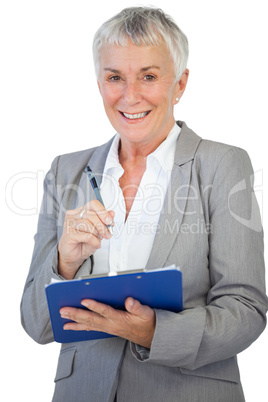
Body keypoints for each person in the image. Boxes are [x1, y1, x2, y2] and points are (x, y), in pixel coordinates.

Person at [20, 6, 268, 402]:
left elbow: (246, 307)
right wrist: (64, 262)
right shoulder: (66, 171)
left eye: (149, 77)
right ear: (99, 82)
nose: (129, 96)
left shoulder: (222, 164)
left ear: (180, 84)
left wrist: (154, 332)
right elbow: (36, 324)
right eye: (115, 77)